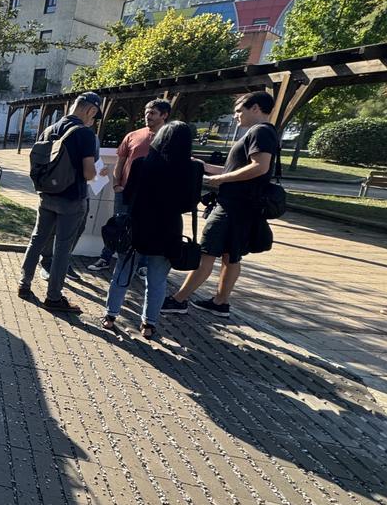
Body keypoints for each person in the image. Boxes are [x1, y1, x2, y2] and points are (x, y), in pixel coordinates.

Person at [163, 91, 280, 317]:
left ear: (255, 108)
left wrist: (219, 179)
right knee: (231, 255)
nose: (236, 116)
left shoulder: (260, 132)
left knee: (206, 252)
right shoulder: (264, 132)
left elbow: (260, 167)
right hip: (242, 207)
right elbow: (240, 169)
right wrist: (205, 167)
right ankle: (220, 302)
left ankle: (178, 300)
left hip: (232, 207)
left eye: (239, 110)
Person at [100, 121, 203, 338]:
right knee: (157, 281)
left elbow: (127, 197)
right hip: (168, 231)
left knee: (122, 273)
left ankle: (110, 316)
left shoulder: (141, 164)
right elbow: (189, 204)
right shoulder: (194, 169)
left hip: (137, 227)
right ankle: (149, 324)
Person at [17, 92, 101, 313]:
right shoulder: (85, 134)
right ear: (91, 110)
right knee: (62, 249)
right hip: (71, 199)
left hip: (47, 195)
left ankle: (23, 284)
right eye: (94, 115)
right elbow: (89, 173)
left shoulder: (50, 129)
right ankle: (54, 297)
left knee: (37, 239)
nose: (93, 120)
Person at [86, 99, 172, 274]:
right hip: (125, 190)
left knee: (146, 227)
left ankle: (143, 265)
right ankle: (106, 257)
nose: (148, 116)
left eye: (153, 113)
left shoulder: (171, 138)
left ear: (164, 115)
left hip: (152, 195)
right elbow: (121, 161)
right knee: (118, 225)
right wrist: (117, 184)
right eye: (147, 112)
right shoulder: (133, 135)